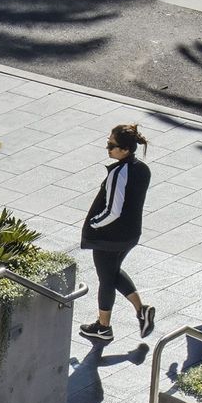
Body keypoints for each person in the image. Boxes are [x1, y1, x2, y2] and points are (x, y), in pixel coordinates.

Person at [78, 124, 154, 345]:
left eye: (112, 146)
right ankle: (142, 310)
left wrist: (94, 224)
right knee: (113, 272)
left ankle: (103, 328)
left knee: (106, 279)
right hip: (130, 235)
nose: (108, 148)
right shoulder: (142, 169)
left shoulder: (118, 173)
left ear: (125, 150)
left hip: (110, 237)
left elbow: (113, 210)